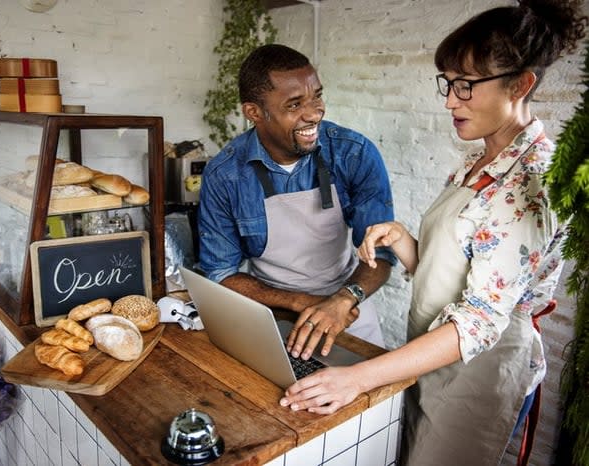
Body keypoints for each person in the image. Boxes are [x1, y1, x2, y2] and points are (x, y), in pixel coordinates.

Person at [279, 1, 587, 464]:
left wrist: (360, 378)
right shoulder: (476, 161)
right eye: (448, 83)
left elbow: (479, 320)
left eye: (465, 85)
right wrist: (402, 240)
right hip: (432, 355)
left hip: (480, 372)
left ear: (520, 85)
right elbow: (453, 277)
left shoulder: (529, 183)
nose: (449, 101)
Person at [197, 44, 397, 350]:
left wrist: (343, 299)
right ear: (254, 113)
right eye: (294, 105)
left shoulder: (353, 153)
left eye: (316, 95)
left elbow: (381, 254)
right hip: (270, 311)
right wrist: (301, 302)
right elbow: (221, 272)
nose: (314, 113)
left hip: (348, 307)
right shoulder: (225, 174)